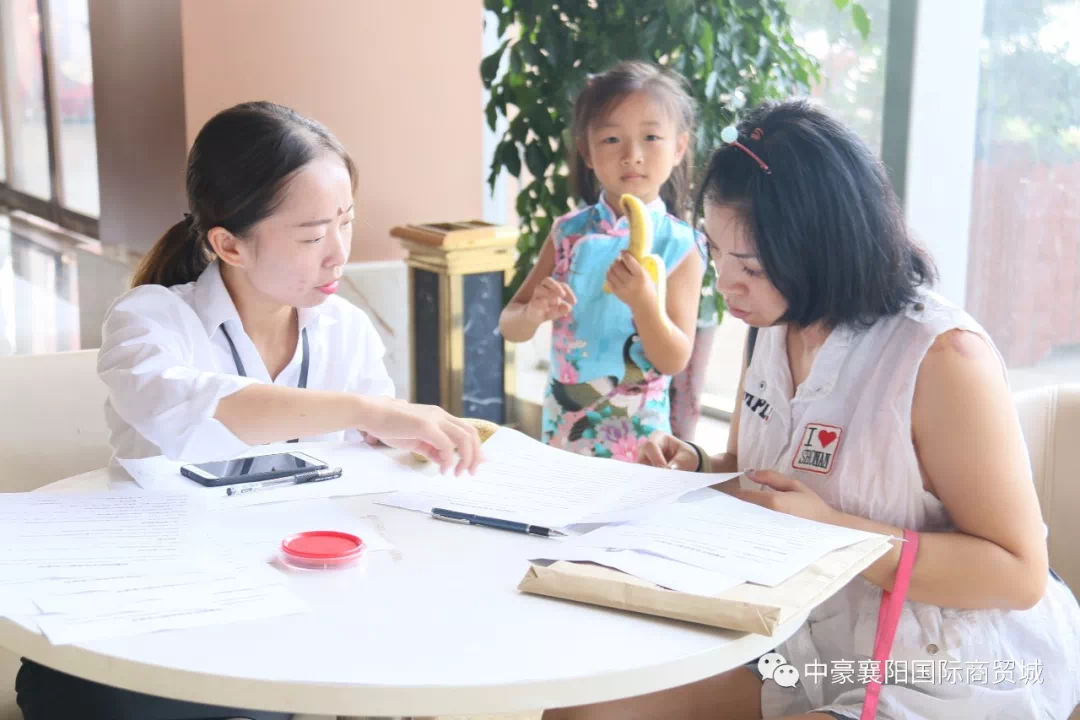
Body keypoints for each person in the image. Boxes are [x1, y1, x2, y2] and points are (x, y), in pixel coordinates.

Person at [544, 99, 1080, 719]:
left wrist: (832, 534)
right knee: (579, 709)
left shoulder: (941, 357)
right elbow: (758, 467)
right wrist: (696, 463)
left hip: (949, 665)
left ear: (825, 246)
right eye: (716, 252)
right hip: (804, 640)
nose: (726, 283)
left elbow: (1018, 575)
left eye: (750, 265)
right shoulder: (771, 325)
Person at [16, 101, 482, 720]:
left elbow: (369, 468)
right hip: (140, 625)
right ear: (228, 244)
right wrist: (369, 411)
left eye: (345, 222)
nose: (338, 254)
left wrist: (398, 439)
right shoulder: (151, 321)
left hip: (288, 609)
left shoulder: (344, 328)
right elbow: (212, 407)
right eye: (312, 236)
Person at [499, 60, 705, 461]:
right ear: (587, 151)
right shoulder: (567, 232)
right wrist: (534, 312)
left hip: (642, 439)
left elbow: (674, 360)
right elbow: (510, 325)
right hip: (564, 431)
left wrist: (644, 303)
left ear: (679, 148)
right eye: (612, 139)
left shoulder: (682, 245)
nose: (632, 155)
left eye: (651, 137)